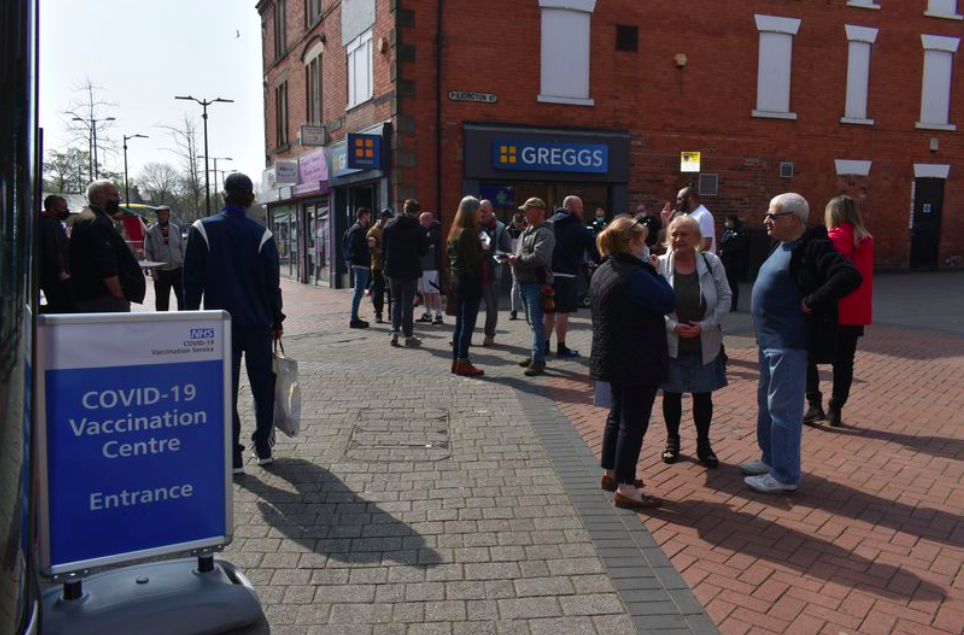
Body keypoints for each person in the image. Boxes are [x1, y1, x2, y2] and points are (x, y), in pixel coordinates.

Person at [741, 193, 861, 494]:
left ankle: (784, 475)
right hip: (769, 342)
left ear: (794, 219)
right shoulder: (780, 244)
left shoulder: (813, 246)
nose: (766, 221)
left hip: (789, 343)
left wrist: (814, 301)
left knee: (783, 410)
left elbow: (849, 275)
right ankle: (771, 460)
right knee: (767, 407)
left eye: (773, 215)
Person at [183, 173, 285, 475]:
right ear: (251, 199)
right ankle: (263, 446)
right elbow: (272, 285)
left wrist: (191, 320)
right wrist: (276, 320)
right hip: (256, 323)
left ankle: (233, 454)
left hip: (219, 326)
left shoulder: (202, 229)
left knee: (224, 389)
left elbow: (192, 283)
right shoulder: (261, 233)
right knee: (262, 387)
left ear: (223, 195)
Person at [590, 217, 676, 510]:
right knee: (633, 423)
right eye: (641, 241)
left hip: (612, 355)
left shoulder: (603, 269)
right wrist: (657, 273)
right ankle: (626, 488)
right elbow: (667, 301)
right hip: (637, 358)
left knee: (617, 415)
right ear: (630, 244)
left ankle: (611, 474)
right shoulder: (636, 274)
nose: (646, 246)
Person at [657, 216, 731, 468]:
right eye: (674, 234)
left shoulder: (712, 263)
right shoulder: (660, 264)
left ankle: (703, 443)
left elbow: (725, 298)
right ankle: (672, 440)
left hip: (705, 343)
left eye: (685, 234)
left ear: (697, 239)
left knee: (703, 397)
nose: (678, 239)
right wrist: (671, 326)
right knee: (671, 395)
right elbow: (652, 304)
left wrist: (705, 325)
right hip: (671, 342)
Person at [804, 195, 874, 427]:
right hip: (855, 312)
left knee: (807, 356)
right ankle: (836, 408)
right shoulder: (866, 240)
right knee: (844, 362)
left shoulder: (831, 239)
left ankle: (814, 404)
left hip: (829, 309)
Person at [69, 180, 146, 312]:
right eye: (114, 195)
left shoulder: (88, 218)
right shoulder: (97, 223)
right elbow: (105, 263)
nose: (118, 199)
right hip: (103, 298)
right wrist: (118, 294)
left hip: (92, 296)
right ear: (96, 197)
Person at [507, 197, 554, 376]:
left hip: (536, 283)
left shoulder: (545, 233)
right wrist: (513, 258)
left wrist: (516, 260)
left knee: (536, 322)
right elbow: (523, 254)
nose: (524, 213)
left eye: (527, 210)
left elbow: (539, 258)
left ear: (539, 211)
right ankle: (535, 354)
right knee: (531, 321)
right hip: (525, 281)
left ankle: (539, 360)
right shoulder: (527, 231)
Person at [545, 195, 597, 358]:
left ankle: (544, 346)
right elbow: (596, 250)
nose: (582, 210)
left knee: (548, 312)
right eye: (580, 207)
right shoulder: (579, 228)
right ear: (571, 208)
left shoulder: (549, 224)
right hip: (567, 276)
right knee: (563, 313)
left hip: (548, 276)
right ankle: (561, 348)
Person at [383, 199, 429, 347]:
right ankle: (408, 336)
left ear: (403, 208)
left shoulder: (389, 224)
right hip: (410, 270)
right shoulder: (419, 228)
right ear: (416, 212)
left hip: (392, 269)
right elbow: (423, 251)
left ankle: (394, 332)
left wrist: (386, 265)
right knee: (407, 304)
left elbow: (383, 248)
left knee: (395, 301)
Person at [448, 196, 486, 377]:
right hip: (469, 282)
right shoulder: (468, 233)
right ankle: (463, 361)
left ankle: (457, 361)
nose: (481, 213)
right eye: (479, 210)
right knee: (467, 325)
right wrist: (485, 251)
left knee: (459, 325)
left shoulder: (455, 231)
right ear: (472, 211)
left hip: (457, 280)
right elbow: (473, 264)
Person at [477, 199, 513, 346]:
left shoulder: (500, 228)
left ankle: (489, 334)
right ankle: (463, 334)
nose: (481, 214)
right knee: (470, 305)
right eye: (479, 211)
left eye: (484, 211)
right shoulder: (474, 226)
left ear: (491, 210)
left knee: (491, 307)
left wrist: (490, 258)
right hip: (474, 273)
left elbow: (507, 252)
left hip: (492, 274)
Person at [144, 205, 186, 311]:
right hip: (161, 271)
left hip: (178, 270)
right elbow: (148, 252)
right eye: (159, 214)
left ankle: (184, 321)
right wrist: (152, 270)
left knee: (183, 299)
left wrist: (183, 265)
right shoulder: (151, 231)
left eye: (164, 214)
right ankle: (162, 324)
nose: (161, 217)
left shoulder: (176, 229)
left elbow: (182, 248)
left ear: (168, 215)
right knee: (161, 302)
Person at [39, 194, 72, 313]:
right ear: (53, 209)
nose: (66, 211)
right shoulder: (48, 225)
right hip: (55, 277)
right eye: (63, 208)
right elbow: (51, 249)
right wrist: (61, 271)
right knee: (61, 307)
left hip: (57, 275)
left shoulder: (53, 223)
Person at [345, 208, 372, 328]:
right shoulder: (356, 229)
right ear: (363, 215)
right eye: (368, 215)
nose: (369, 218)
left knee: (359, 292)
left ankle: (354, 318)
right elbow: (353, 248)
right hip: (360, 264)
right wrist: (368, 244)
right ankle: (354, 319)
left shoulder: (359, 229)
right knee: (358, 292)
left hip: (362, 264)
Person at [418, 212, 445, 325]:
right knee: (425, 292)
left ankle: (438, 315)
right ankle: (428, 314)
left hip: (432, 267)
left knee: (434, 291)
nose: (420, 223)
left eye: (421, 220)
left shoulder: (434, 232)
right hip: (423, 266)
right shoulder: (426, 231)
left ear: (428, 220)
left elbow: (425, 243)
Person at [367, 208, 393, 324]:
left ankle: (392, 314)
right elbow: (370, 246)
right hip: (378, 265)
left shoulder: (392, 227)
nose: (390, 219)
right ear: (382, 217)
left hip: (390, 264)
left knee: (392, 290)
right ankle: (378, 314)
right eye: (388, 217)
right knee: (379, 290)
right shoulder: (373, 231)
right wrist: (380, 251)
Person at [718, 214, 749, 311]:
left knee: (732, 283)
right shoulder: (727, 231)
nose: (726, 223)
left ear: (732, 221)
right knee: (724, 282)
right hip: (724, 260)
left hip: (733, 261)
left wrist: (725, 251)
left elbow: (738, 246)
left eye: (727, 221)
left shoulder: (739, 232)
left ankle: (733, 304)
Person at [672, 187, 716, 254]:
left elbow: (706, 244)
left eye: (680, 199)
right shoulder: (685, 215)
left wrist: (688, 256)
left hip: (701, 262)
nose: (677, 202)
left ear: (690, 198)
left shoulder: (704, 215)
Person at [507, 212, 526, 320]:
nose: (519, 227)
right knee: (515, 284)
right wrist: (509, 256)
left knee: (525, 284)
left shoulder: (528, 229)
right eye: (517, 225)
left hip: (526, 259)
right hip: (514, 259)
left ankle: (526, 308)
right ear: (513, 221)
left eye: (521, 224)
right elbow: (506, 246)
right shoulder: (508, 230)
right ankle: (514, 310)